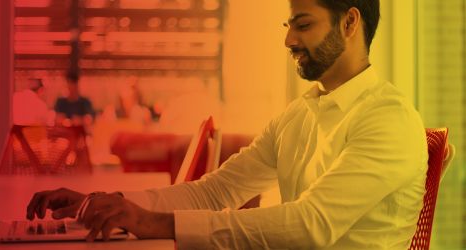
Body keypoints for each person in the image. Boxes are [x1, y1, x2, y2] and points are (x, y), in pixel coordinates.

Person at [26, 0, 428, 248]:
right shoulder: (300, 114)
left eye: (302, 25)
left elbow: (311, 226)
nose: (288, 40)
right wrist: (104, 204)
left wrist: (152, 223)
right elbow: (216, 191)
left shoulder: (388, 120)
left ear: (349, 23)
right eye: (288, 26)